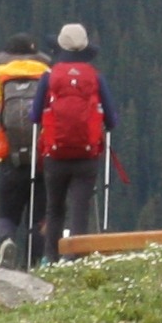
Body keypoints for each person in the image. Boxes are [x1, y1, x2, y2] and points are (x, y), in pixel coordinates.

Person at [34, 22, 112, 252]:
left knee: (55, 209)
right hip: (86, 157)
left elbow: (35, 114)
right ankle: (76, 259)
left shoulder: (49, 78)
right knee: (80, 210)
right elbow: (112, 118)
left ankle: (50, 258)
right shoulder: (96, 78)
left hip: (55, 154)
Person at [0, 33, 50, 267]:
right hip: (42, 160)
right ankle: (36, 264)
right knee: (40, 217)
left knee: (7, 214)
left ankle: (6, 241)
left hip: (11, 160)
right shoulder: (47, 80)